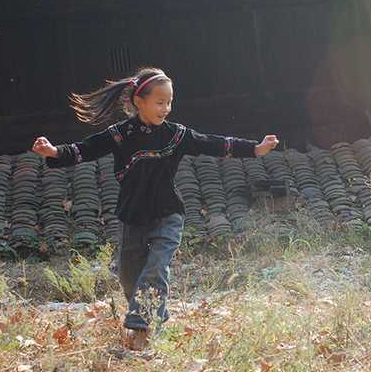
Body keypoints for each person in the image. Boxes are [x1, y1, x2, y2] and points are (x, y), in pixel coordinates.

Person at [31, 67, 279, 349]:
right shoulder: (120, 135)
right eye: (160, 102)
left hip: (168, 214)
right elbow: (85, 149)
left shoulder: (177, 135)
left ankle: (143, 330)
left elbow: (214, 143)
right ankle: (148, 320)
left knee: (156, 267)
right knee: (129, 277)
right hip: (132, 216)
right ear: (140, 102)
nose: (166, 108)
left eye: (170, 102)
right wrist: (53, 152)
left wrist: (256, 149)